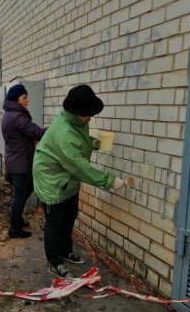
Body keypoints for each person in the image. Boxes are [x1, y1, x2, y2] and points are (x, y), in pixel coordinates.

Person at [32, 84, 125, 278]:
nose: (90, 117)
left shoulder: (76, 121)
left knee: (70, 215)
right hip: (52, 181)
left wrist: (93, 143)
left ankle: (65, 251)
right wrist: (109, 180)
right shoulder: (63, 133)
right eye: (87, 114)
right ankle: (53, 260)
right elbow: (80, 168)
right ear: (74, 112)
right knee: (55, 222)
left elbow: (80, 139)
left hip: (67, 180)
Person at [1, 84, 47, 239]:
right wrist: (57, 126)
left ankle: (17, 219)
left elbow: (24, 135)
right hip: (21, 162)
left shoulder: (9, 114)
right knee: (19, 195)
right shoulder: (18, 116)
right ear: (16, 99)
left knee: (24, 191)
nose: (28, 100)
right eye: (24, 97)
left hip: (17, 160)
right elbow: (37, 133)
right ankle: (14, 228)